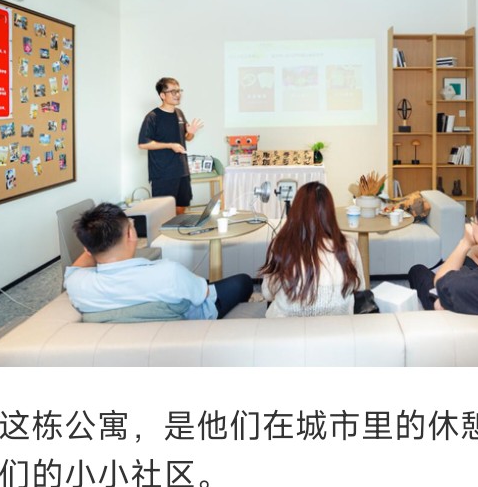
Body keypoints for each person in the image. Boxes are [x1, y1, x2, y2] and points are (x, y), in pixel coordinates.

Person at [65, 203, 252, 320]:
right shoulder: (169, 272)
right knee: (243, 281)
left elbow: (75, 268)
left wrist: (93, 245)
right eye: (131, 226)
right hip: (198, 316)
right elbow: (203, 294)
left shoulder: (77, 284)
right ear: (131, 234)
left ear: (87, 249)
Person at [258, 181, 364, 317]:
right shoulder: (348, 245)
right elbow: (360, 286)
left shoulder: (280, 245)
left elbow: (267, 294)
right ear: (330, 213)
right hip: (337, 326)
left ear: (296, 211)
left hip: (285, 328)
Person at [138, 77, 204, 213]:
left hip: (182, 171)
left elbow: (187, 138)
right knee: (163, 212)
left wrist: (191, 133)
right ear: (162, 95)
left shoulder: (179, 113)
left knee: (181, 207)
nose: (178, 94)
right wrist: (170, 145)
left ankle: (177, 227)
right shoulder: (153, 116)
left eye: (179, 91)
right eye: (173, 91)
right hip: (163, 174)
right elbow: (143, 144)